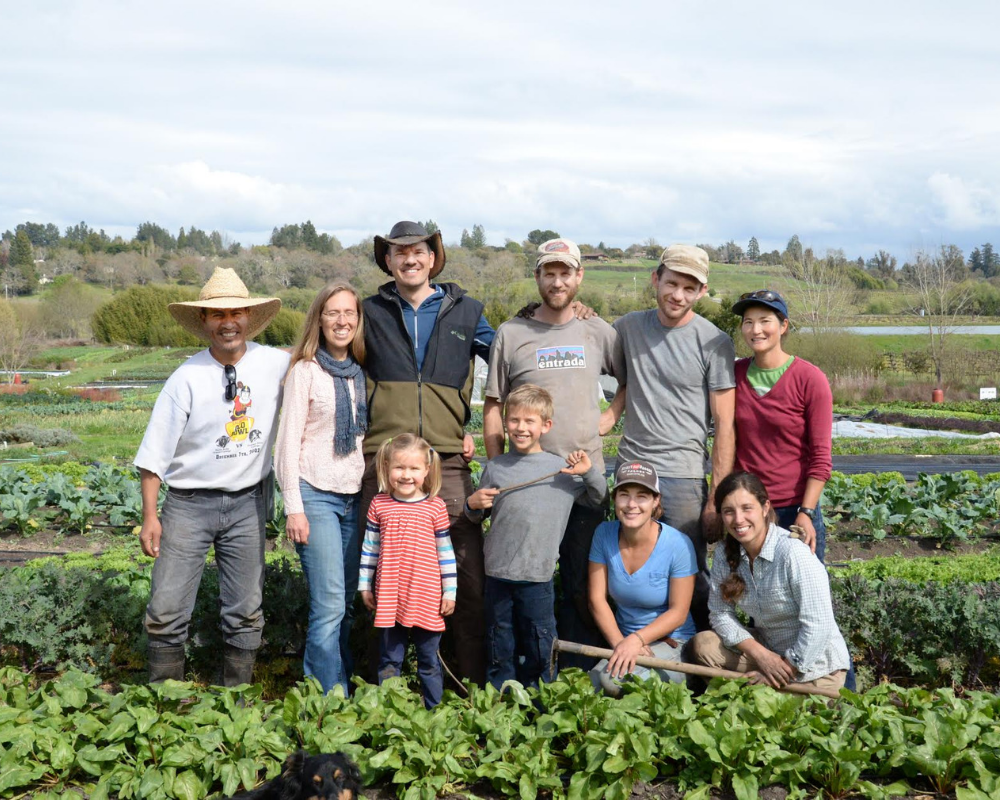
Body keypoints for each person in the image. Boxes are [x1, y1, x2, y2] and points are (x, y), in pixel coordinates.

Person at [135, 268, 288, 686]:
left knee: (245, 607)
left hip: (248, 504)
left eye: (236, 312)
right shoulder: (185, 378)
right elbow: (153, 456)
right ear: (204, 321)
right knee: (166, 607)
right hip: (188, 504)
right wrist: (151, 516)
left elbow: (320, 384)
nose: (228, 322)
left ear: (249, 318)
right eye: (218, 315)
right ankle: (166, 704)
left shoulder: (276, 364)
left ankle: (232, 699)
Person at [360, 220, 494, 685]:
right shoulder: (367, 312)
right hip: (383, 463)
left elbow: (509, 356)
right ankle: (383, 686)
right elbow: (332, 358)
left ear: (433, 258)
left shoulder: (468, 311)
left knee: (464, 575)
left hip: (446, 460)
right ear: (388, 262)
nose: (410, 259)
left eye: (418, 251)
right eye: (399, 253)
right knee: (379, 575)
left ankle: (464, 685)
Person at [483, 238, 622, 665]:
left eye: (566, 273)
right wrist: (496, 466)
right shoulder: (512, 333)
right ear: (538, 277)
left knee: (581, 579)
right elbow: (493, 403)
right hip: (527, 486)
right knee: (523, 581)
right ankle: (524, 669)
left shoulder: (597, 331)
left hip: (582, 482)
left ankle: (577, 670)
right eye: (549, 273)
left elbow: (629, 380)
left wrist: (611, 415)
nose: (557, 281)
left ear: (579, 277)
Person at [606, 245, 736, 630]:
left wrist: (715, 496)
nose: (678, 295)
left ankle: (697, 662)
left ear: (702, 291)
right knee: (628, 565)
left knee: (689, 575)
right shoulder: (626, 328)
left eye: (689, 288)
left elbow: (724, 424)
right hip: (632, 466)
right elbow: (617, 373)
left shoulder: (714, 342)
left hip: (683, 474)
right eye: (672, 283)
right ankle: (634, 651)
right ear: (655, 279)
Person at [465, 384, 607, 689]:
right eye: (514, 420)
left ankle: (540, 701)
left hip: (537, 577)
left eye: (529, 421)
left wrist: (589, 470)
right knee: (498, 642)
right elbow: (479, 515)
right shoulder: (496, 467)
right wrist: (471, 505)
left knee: (539, 643)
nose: (520, 428)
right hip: (498, 575)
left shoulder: (560, 470)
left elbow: (598, 498)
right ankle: (501, 699)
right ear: (506, 423)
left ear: (546, 426)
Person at [275, 281, 367, 694]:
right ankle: (326, 701)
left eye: (349, 313)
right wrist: (293, 506)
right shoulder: (304, 372)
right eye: (333, 313)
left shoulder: (360, 373)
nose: (342, 321)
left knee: (344, 607)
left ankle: (339, 685)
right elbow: (286, 443)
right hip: (315, 495)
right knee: (328, 607)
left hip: (354, 499)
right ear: (319, 318)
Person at [688, 471, 849, 693]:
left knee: (775, 717)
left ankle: (758, 692)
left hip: (813, 668)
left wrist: (785, 668)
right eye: (728, 511)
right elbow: (720, 613)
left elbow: (818, 626)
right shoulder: (726, 553)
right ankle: (754, 691)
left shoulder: (793, 554)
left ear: (765, 508)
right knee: (704, 644)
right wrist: (761, 655)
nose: (738, 519)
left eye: (747, 508)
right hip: (770, 650)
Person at [730, 290, 832, 561]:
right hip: (748, 509)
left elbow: (821, 457)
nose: (756, 330)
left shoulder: (809, 379)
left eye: (765, 321)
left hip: (793, 508)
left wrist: (806, 513)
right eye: (748, 322)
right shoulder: (734, 374)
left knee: (803, 595)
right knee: (748, 592)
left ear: (783, 325)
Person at [358, 434, 456, 708]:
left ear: (427, 470)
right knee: (390, 660)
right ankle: (390, 713)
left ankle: (433, 711)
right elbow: (370, 549)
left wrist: (450, 592)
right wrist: (365, 585)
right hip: (390, 596)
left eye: (414, 469)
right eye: (399, 468)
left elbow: (446, 554)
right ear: (387, 468)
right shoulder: (380, 504)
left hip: (426, 597)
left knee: (428, 661)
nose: (406, 475)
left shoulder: (435, 507)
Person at [587, 460, 697, 694]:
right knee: (590, 685)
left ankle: (684, 684)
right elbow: (597, 600)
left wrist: (637, 640)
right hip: (625, 640)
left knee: (611, 682)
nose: (631, 504)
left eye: (642, 496)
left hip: (672, 641)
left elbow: (678, 613)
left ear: (656, 500)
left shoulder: (677, 544)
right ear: (615, 498)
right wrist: (621, 644)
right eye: (624, 495)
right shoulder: (604, 534)